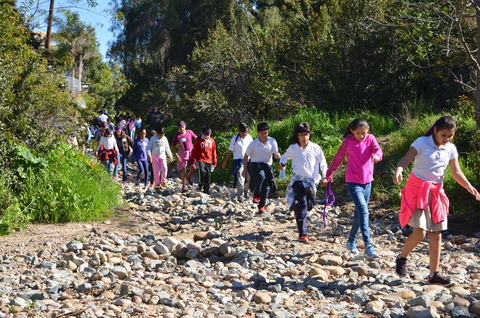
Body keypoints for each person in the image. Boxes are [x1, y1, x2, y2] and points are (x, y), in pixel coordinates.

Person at [393, 116, 479, 285]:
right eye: (444, 135)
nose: (447, 139)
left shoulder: (451, 149)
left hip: (436, 192)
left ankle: (434, 274)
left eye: (450, 136)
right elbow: (406, 158)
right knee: (420, 233)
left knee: (436, 234)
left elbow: (456, 172)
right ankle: (402, 258)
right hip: (418, 190)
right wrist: (399, 170)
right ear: (435, 131)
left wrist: (470, 187)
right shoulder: (422, 142)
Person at [324, 118, 383, 259]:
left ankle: (350, 242)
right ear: (352, 131)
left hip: (368, 183)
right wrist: (329, 173)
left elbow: (378, 150)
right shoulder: (348, 141)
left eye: (364, 132)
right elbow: (338, 158)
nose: (361, 136)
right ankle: (368, 245)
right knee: (363, 209)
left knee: (359, 212)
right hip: (353, 183)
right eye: (358, 133)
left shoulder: (371, 139)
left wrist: (377, 156)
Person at [279, 122, 328, 242]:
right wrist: (282, 164)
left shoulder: (315, 148)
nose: (304, 137)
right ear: (297, 136)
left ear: (309, 135)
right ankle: (303, 234)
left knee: (309, 205)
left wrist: (325, 177)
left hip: (312, 181)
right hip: (297, 179)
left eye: (306, 134)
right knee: (302, 203)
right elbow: (284, 157)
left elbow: (323, 163)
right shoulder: (293, 148)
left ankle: (297, 209)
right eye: (301, 135)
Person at [243, 122, 281, 212]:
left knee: (267, 186)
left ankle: (261, 206)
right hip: (256, 165)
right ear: (257, 133)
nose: (264, 135)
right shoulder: (253, 143)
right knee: (261, 176)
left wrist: (277, 155)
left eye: (266, 133)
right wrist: (245, 169)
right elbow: (246, 155)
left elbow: (276, 153)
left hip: (267, 165)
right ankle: (257, 193)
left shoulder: (272, 141)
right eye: (262, 133)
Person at [222, 123, 253, 202]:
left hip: (249, 160)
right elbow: (230, 151)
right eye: (243, 132)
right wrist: (225, 162)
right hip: (239, 161)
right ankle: (240, 197)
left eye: (246, 132)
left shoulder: (249, 137)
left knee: (251, 179)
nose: (245, 134)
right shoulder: (235, 139)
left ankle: (246, 192)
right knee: (240, 180)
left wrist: (253, 160)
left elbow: (252, 150)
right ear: (239, 131)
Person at [191, 127, 217, 194]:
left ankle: (206, 189)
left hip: (209, 159)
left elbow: (214, 152)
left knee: (208, 174)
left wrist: (214, 161)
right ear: (202, 133)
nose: (206, 137)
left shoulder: (212, 141)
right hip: (200, 159)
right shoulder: (198, 140)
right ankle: (201, 184)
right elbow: (194, 151)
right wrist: (192, 159)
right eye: (205, 135)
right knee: (202, 171)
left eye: (208, 135)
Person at [172, 121, 197, 192]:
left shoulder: (189, 132)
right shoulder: (177, 136)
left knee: (193, 167)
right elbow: (174, 147)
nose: (181, 129)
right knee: (184, 169)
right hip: (182, 152)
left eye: (182, 127)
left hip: (191, 151)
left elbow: (196, 138)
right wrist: (176, 155)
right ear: (178, 128)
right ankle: (183, 186)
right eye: (180, 128)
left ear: (185, 127)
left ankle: (188, 177)